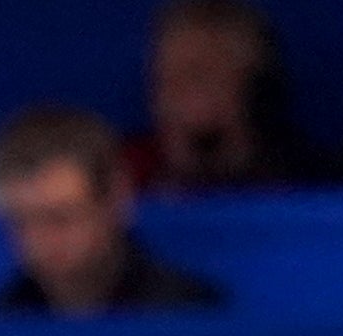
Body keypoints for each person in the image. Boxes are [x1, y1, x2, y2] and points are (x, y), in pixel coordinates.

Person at [0, 108, 224, 318]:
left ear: (117, 200)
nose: (40, 240)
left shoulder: (188, 315)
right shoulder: (2, 321)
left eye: (60, 218)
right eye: (21, 222)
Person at [124, 0, 299, 195]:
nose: (192, 87)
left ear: (254, 85)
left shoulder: (301, 177)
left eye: (208, 72)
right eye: (177, 74)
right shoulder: (124, 174)